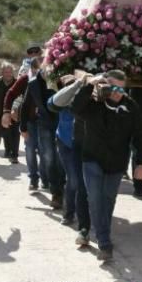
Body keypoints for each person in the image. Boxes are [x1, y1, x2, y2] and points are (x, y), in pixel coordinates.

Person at [71, 70, 142, 262]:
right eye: (113, 87)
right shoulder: (93, 103)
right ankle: (104, 242)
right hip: (92, 159)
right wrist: (90, 84)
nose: (117, 92)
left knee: (108, 200)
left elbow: (141, 135)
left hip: (116, 162)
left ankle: (95, 230)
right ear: (105, 85)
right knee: (96, 199)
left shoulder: (131, 107)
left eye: (122, 89)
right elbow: (75, 108)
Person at [3, 56, 60, 204]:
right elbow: (22, 100)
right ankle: (34, 179)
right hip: (32, 122)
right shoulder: (29, 81)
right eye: (38, 68)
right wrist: (10, 114)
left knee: (48, 154)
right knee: (31, 148)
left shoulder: (56, 80)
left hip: (49, 122)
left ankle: (50, 183)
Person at [48, 75, 91, 234]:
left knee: (83, 181)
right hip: (66, 143)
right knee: (74, 180)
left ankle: (83, 213)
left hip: (83, 143)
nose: (73, 87)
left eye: (75, 84)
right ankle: (69, 213)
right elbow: (52, 103)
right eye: (69, 85)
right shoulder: (62, 99)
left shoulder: (86, 97)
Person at [0, 62, 19, 163]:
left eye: (10, 72)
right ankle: (8, 150)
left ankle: (14, 154)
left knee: (15, 132)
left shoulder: (18, 83)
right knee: (5, 131)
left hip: (15, 111)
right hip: (1, 112)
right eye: (6, 72)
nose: (8, 74)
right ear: (2, 72)